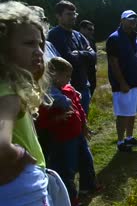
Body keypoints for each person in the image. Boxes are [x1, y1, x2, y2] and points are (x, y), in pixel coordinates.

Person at [0, 1, 69, 205]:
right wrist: (23, 158)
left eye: (40, 44)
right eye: (29, 44)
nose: (39, 51)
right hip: (23, 190)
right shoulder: (8, 93)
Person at [38, 57, 101, 205]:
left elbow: (79, 109)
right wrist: (58, 119)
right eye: (66, 76)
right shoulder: (47, 97)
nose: (69, 79)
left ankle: (88, 186)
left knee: (86, 160)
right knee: (67, 169)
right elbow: (41, 123)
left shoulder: (68, 90)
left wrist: (84, 125)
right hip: (63, 139)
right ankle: (71, 198)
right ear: (53, 74)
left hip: (78, 135)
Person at [106, 10, 137, 152]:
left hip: (135, 81)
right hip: (124, 84)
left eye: (135, 18)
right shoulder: (114, 38)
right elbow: (113, 62)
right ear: (122, 20)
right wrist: (121, 82)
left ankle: (129, 137)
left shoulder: (135, 37)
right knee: (123, 113)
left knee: (132, 112)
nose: (133, 21)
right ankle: (120, 141)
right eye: (130, 19)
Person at [47, 1, 96, 114]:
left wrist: (79, 54)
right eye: (69, 14)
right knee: (70, 124)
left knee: (83, 120)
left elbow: (93, 56)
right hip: (65, 89)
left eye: (74, 14)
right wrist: (84, 54)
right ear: (58, 16)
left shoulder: (78, 35)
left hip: (83, 85)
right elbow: (68, 59)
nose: (73, 17)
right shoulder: (54, 35)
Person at [78, 20, 97, 96]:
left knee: (92, 87)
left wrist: (96, 64)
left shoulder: (91, 40)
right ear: (82, 29)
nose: (91, 32)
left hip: (91, 70)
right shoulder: (77, 39)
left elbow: (94, 54)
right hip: (82, 71)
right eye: (89, 29)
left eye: (92, 30)